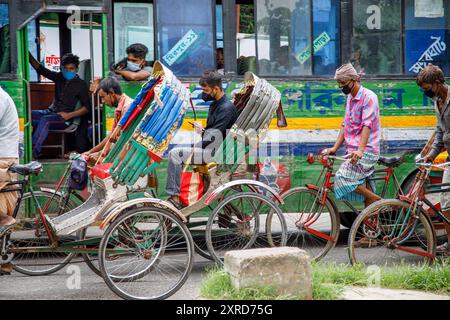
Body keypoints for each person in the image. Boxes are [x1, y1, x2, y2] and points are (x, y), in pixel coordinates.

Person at [166, 70, 238, 208]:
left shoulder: (226, 108)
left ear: (216, 89)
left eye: (206, 90)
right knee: (180, 152)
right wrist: (203, 131)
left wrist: (197, 145)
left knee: (175, 154)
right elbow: (213, 132)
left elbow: (214, 136)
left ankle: (174, 197)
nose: (204, 93)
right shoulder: (215, 104)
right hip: (212, 148)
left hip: (216, 154)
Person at [324, 63, 381, 208]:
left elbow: (367, 125)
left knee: (342, 177)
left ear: (353, 80)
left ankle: (380, 201)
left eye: (343, 83)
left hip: (366, 151)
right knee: (365, 194)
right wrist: (335, 148)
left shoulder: (369, 97)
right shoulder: (350, 97)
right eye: (339, 84)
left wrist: (360, 150)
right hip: (353, 152)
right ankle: (370, 223)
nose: (341, 87)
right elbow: (345, 125)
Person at [29, 52, 91, 158]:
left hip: (65, 119)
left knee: (45, 120)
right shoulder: (59, 77)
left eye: (71, 69)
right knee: (28, 115)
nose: (68, 71)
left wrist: (69, 115)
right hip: (50, 111)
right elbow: (41, 69)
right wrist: (28, 55)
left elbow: (86, 108)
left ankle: (33, 153)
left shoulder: (81, 85)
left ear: (76, 69)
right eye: (65, 69)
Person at [419, 64, 450, 256]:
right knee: (446, 203)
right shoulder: (437, 101)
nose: (426, 92)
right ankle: (449, 243)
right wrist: (430, 155)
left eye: (427, 88)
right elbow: (440, 132)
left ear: (438, 83)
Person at [83, 77, 133, 164]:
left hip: (128, 155)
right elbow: (112, 136)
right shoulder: (121, 108)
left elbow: (124, 139)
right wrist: (91, 152)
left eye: (103, 97)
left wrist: (101, 154)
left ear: (112, 93)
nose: (102, 101)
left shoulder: (127, 107)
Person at [0, 86, 19, 274]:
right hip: (5, 157)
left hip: (3, 159)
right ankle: (4, 263)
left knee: (4, 215)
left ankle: (6, 220)